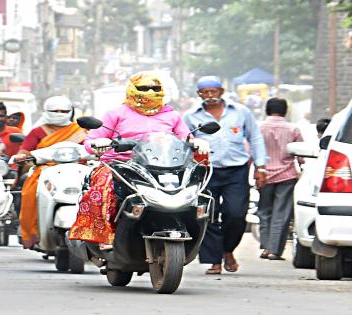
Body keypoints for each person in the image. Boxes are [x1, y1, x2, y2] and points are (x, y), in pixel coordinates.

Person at [68, 71, 208, 248]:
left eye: (154, 88)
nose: (150, 92)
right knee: (103, 187)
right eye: (144, 88)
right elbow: (91, 142)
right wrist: (99, 143)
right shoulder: (116, 114)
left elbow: (185, 137)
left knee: (198, 188)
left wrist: (196, 142)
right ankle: (104, 235)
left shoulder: (171, 115)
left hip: (163, 165)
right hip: (120, 164)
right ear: (132, 90)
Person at [183, 76, 268, 274]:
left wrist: (261, 167)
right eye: (205, 92)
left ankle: (228, 250)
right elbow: (183, 142)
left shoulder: (240, 112)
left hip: (236, 170)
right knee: (208, 214)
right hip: (206, 171)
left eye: (214, 91)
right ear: (199, 94)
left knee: (236, 214)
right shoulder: (190, 116)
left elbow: (254, 137)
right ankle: (215, 261)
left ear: (221, 92)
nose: (210, 96)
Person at [15, 96, 87, 249]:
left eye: (64, 111)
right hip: (45, 169)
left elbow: (90, 148)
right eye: (55, 111)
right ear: (46, 111)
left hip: (77, 169)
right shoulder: (37, 131)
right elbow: (25, 150)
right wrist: (22, 155)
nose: (59, 114)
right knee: (29, 193)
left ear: (71, 112)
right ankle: (31, 232)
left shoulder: (80, 131)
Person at [257, 98, 304, 260]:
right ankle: (274, 250)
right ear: (285, 111)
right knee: (281, 213)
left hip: (264, 175)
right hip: (287, 175)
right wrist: (302, 167)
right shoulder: (293, 129)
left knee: (264, 211)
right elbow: (301, 155)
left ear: (267, 110)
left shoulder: (259, 128)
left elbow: (251, 151)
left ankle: (265, 246)